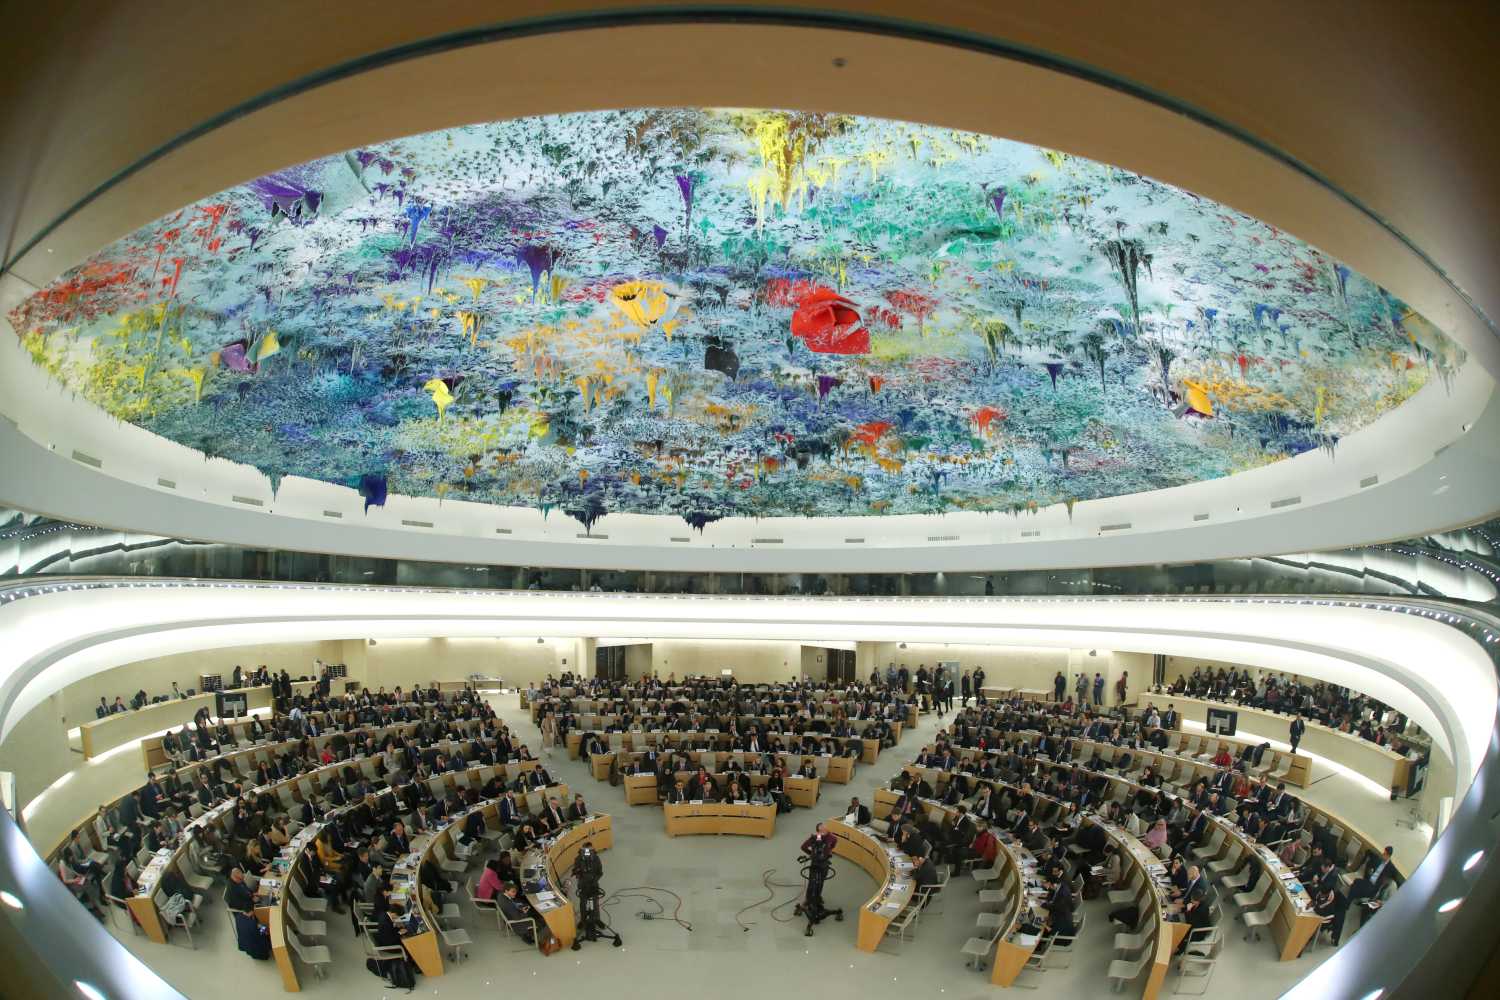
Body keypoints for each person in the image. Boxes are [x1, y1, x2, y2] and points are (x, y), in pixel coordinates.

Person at [225, 867, 271, 960]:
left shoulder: (239, 881)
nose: (242, 880)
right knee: (261, 923)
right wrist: (252, 901)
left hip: (250, 903)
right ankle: (266, 935)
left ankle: (266, 934)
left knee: (268, 902)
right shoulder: (232, 890)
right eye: (241, 879)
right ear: (234, 878)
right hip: (244, 911)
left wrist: (252, 895)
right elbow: (239, 905)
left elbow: (246, 891)